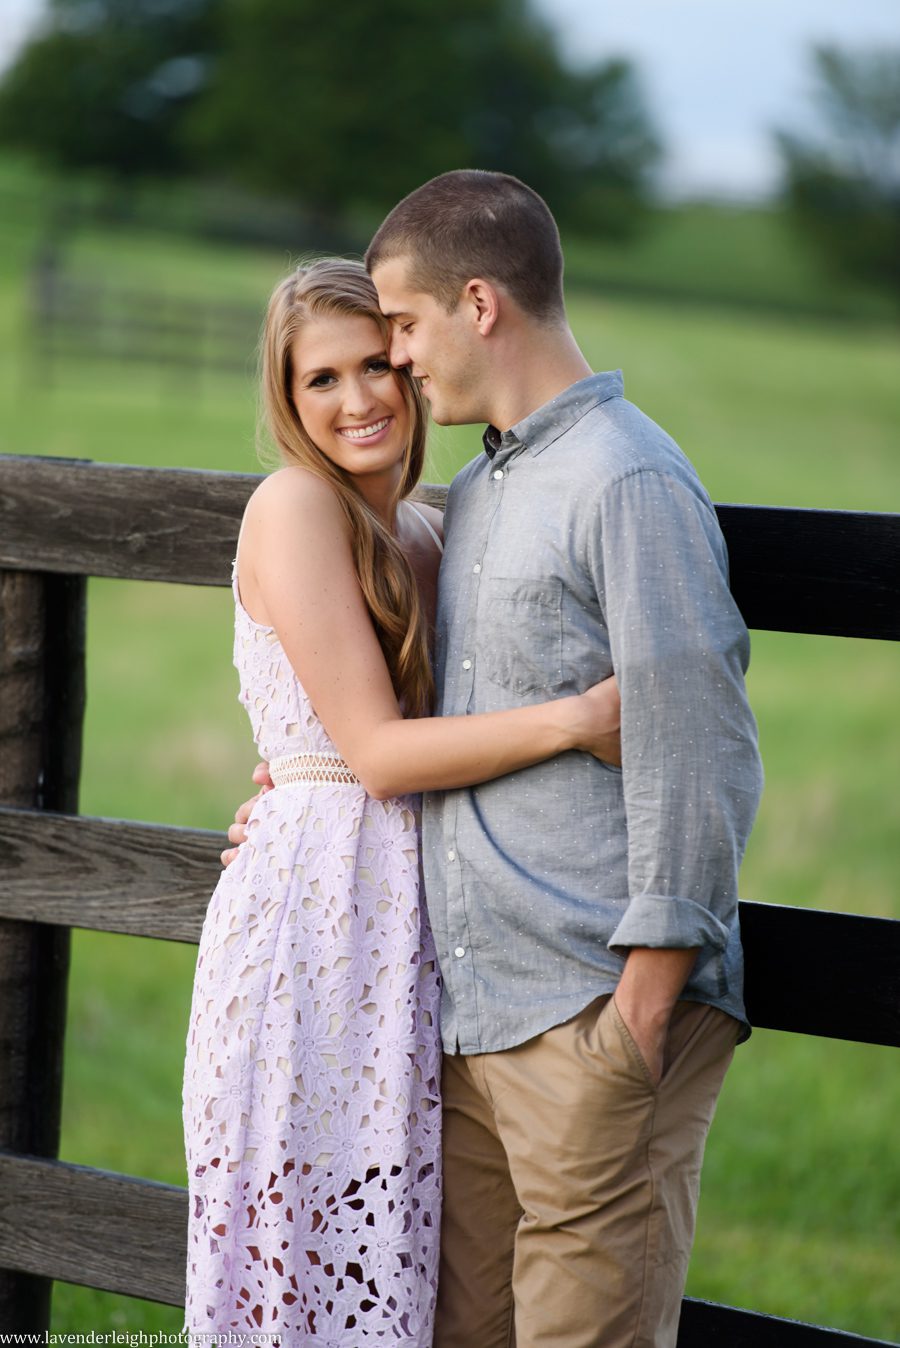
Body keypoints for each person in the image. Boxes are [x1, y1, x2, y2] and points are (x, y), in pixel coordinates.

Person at [182, 256, 622, 1346]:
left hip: (413, 922)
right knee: (303, 1263)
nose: (359, 398)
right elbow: (375, 755)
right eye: (320, 380)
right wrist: (581, 719)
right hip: (313, 923)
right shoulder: (294, 506)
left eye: (376, 363)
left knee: (398, 1260)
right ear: (287, 402)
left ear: (414, 362)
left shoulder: (437, 527)